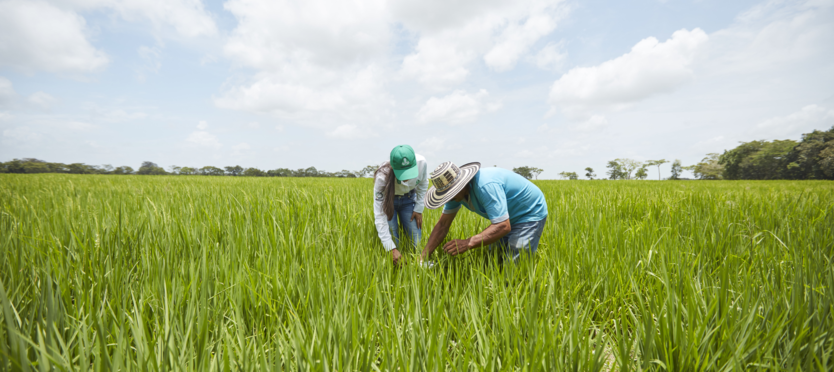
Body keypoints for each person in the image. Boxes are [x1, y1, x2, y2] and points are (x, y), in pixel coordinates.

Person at [420, 161, 548, 262]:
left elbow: (503, 225)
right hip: (506, 216)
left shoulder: (485, 186)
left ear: (461, 184)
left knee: (516, 254)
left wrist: (468, 243)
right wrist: (423, 257)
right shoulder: (455, 195)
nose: (448, 198)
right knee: (494, 255)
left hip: (529, 211)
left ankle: (516, 286)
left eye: (450, 193)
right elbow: (443, 225)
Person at [373, 145, 428, 265]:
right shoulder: (382, 176)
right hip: (389, 201)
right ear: (392, 167)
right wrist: (391, 248)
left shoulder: (422, 162)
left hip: (409, 199)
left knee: (417, 241)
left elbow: (423, 183)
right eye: (402, 173)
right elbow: (379, 214)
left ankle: (419, 267)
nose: (407, 178)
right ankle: (396, 269)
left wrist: (419, 209)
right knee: (393, 238)